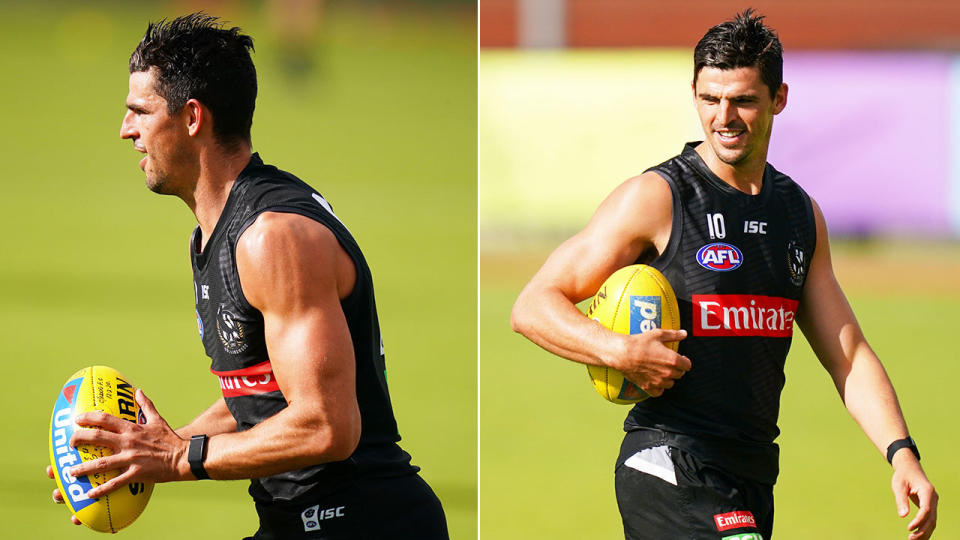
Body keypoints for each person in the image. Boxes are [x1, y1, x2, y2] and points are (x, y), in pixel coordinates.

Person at [511, 9, 937, 540]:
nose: (724, 117)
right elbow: (531, 305)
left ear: (779, 98)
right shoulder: (657, 199)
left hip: (753, 475)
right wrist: (617, 351)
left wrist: (901, 454)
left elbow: (848, 355)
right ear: (694, 93)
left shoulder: (800, 216)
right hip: (669, 462)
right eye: (710, 99)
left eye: (743, 100)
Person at [46, 13, 448, 539]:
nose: (126, 130)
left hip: (362, 520)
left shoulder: (271, 239)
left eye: (140, 112)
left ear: (192, 118)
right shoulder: (213, 234)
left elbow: (329, 426)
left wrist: (178, 457)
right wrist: (142, 454)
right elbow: (263, 398)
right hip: (301, 523)